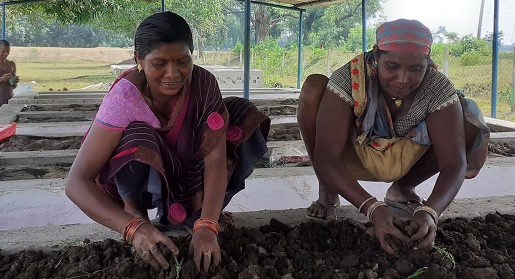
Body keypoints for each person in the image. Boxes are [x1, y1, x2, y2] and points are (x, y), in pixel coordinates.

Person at [66, 12, 270, 272]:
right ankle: (138, 213)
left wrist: (208, 226)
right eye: (159, 63)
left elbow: (216, 159)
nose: (173, 74)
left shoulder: (204, 83)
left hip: (189, 168)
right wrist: (133, 228)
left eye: (183, 61)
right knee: (137, 138)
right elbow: (76, 182)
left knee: (241, 113)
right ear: (138, 59)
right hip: (147, 177)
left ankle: (197, 214)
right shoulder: (125, 99)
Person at [297, 19, 489, 255]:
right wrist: (372, 208)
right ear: (376, 55)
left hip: (408, 158)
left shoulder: (436, 87)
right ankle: (328, 188)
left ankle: (403, 188)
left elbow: (453, 162)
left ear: (427, 63)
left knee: (469, 118)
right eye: (392, 66)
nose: (402, 78)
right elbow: (326, 155)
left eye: (416, 69)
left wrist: (430, 212)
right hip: (353, 153)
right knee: (315, 86)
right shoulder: (350, 78)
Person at [0, 40, 19, 106]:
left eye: (8, 52)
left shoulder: (11, 64)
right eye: (3, 52)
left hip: (8, 100)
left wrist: (13, 81)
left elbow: (14, 86)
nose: (6, 54)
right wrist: (1, 79)